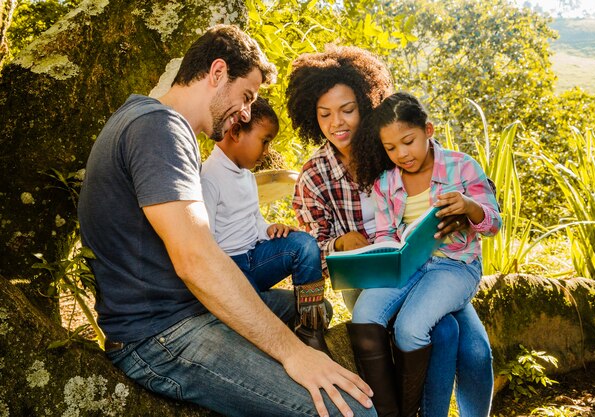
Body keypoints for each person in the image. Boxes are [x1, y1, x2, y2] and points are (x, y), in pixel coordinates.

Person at [78, 25, 375, 417]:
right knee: (351, 410)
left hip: (184, 312)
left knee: (304, 310)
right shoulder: (159, 128)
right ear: (217, 73)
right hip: (161, 335)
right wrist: (295, 354)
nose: (247, 112)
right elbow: (196, 259)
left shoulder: (147, 119)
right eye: (246, 96)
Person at [286, 45, 495, 417]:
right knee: (440, 332)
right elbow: (310, 246)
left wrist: (465, 210)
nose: (338, 122)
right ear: (311, 116)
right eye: (325, 114)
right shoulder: (314, 176)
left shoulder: (392, 148)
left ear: (366, 105)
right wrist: (337, 242)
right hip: (373, 277)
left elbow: (448, 173)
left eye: (348, 110)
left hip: (435, 264)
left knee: (475, 350)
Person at [350, 91, 502, 416]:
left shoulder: (461, 167)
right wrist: (383, 254)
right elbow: (385, 234)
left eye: (408, 141)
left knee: (411, 329)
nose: (402, 154)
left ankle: (417, 411)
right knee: (363, 313)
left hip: (455, 267)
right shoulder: (386, 184)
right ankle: (391, 411)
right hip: (409, 265)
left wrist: (470, 206)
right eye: (391, 148)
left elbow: (493, 224)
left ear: (428, 131)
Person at [200, 96, 331, 354]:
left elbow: (253, 220)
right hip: (231, 272)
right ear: (236, 132)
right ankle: (252, 320)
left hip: (256, 260)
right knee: (254, 311)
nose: (267, 151)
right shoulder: (208, 177)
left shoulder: (246, 177)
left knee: (304, 245)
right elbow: (205, 242)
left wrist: (269, 228)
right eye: (265, 141)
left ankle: (310, 331)